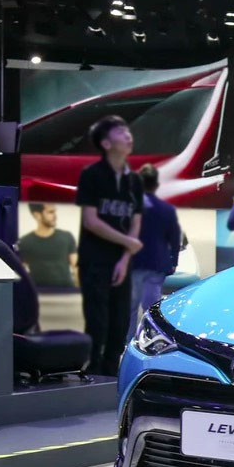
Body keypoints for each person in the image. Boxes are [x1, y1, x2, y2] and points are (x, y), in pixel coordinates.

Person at [75, 115, 143, 376]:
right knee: (97, 319)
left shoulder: (134, 181)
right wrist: (128, 242)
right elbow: (90, 221)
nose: (128, 135)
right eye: (120, 132)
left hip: (122, 261)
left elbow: (136, 220)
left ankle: (112, 369)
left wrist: (125, 258)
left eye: (128, 130)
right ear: (105, 143)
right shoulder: (91, 175)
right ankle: (93, 369)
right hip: (95, 259)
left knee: (120, 318)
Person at [127, 164, 181, 338]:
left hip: (132, 263)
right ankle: (151, 341)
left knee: (129, 308)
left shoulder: (129, 208)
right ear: (156, 185)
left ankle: (127, 342)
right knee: (152, 308)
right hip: (157, 264)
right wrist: (174, 261)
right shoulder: (167, 210)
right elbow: (175, 238)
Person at [17, 203, 77, 288]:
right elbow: (20, 271)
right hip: (39, 291)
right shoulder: (24, 242)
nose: (55, 216)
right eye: (50, 212)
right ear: (37, 215)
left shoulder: (67, 237)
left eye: (55, 211)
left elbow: (75, 267)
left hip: (66, 290)